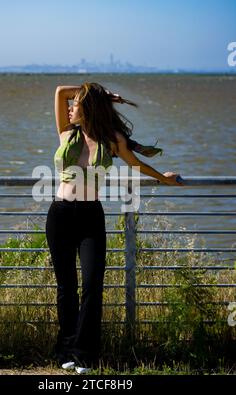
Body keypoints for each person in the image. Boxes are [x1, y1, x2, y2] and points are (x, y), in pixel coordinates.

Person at [45, 82, 183, 373]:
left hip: (90, 217)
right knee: (66, 287)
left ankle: (84, 354)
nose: (69, 108)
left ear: (87, 108)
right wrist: (100, 93)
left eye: (76, 104)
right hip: (59, 215)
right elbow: (60, 91)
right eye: (71, 105)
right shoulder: (67, 131)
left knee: (93, 285)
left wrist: (163, 178)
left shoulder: (112, 140)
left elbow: (137, 165)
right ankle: (66, 351)